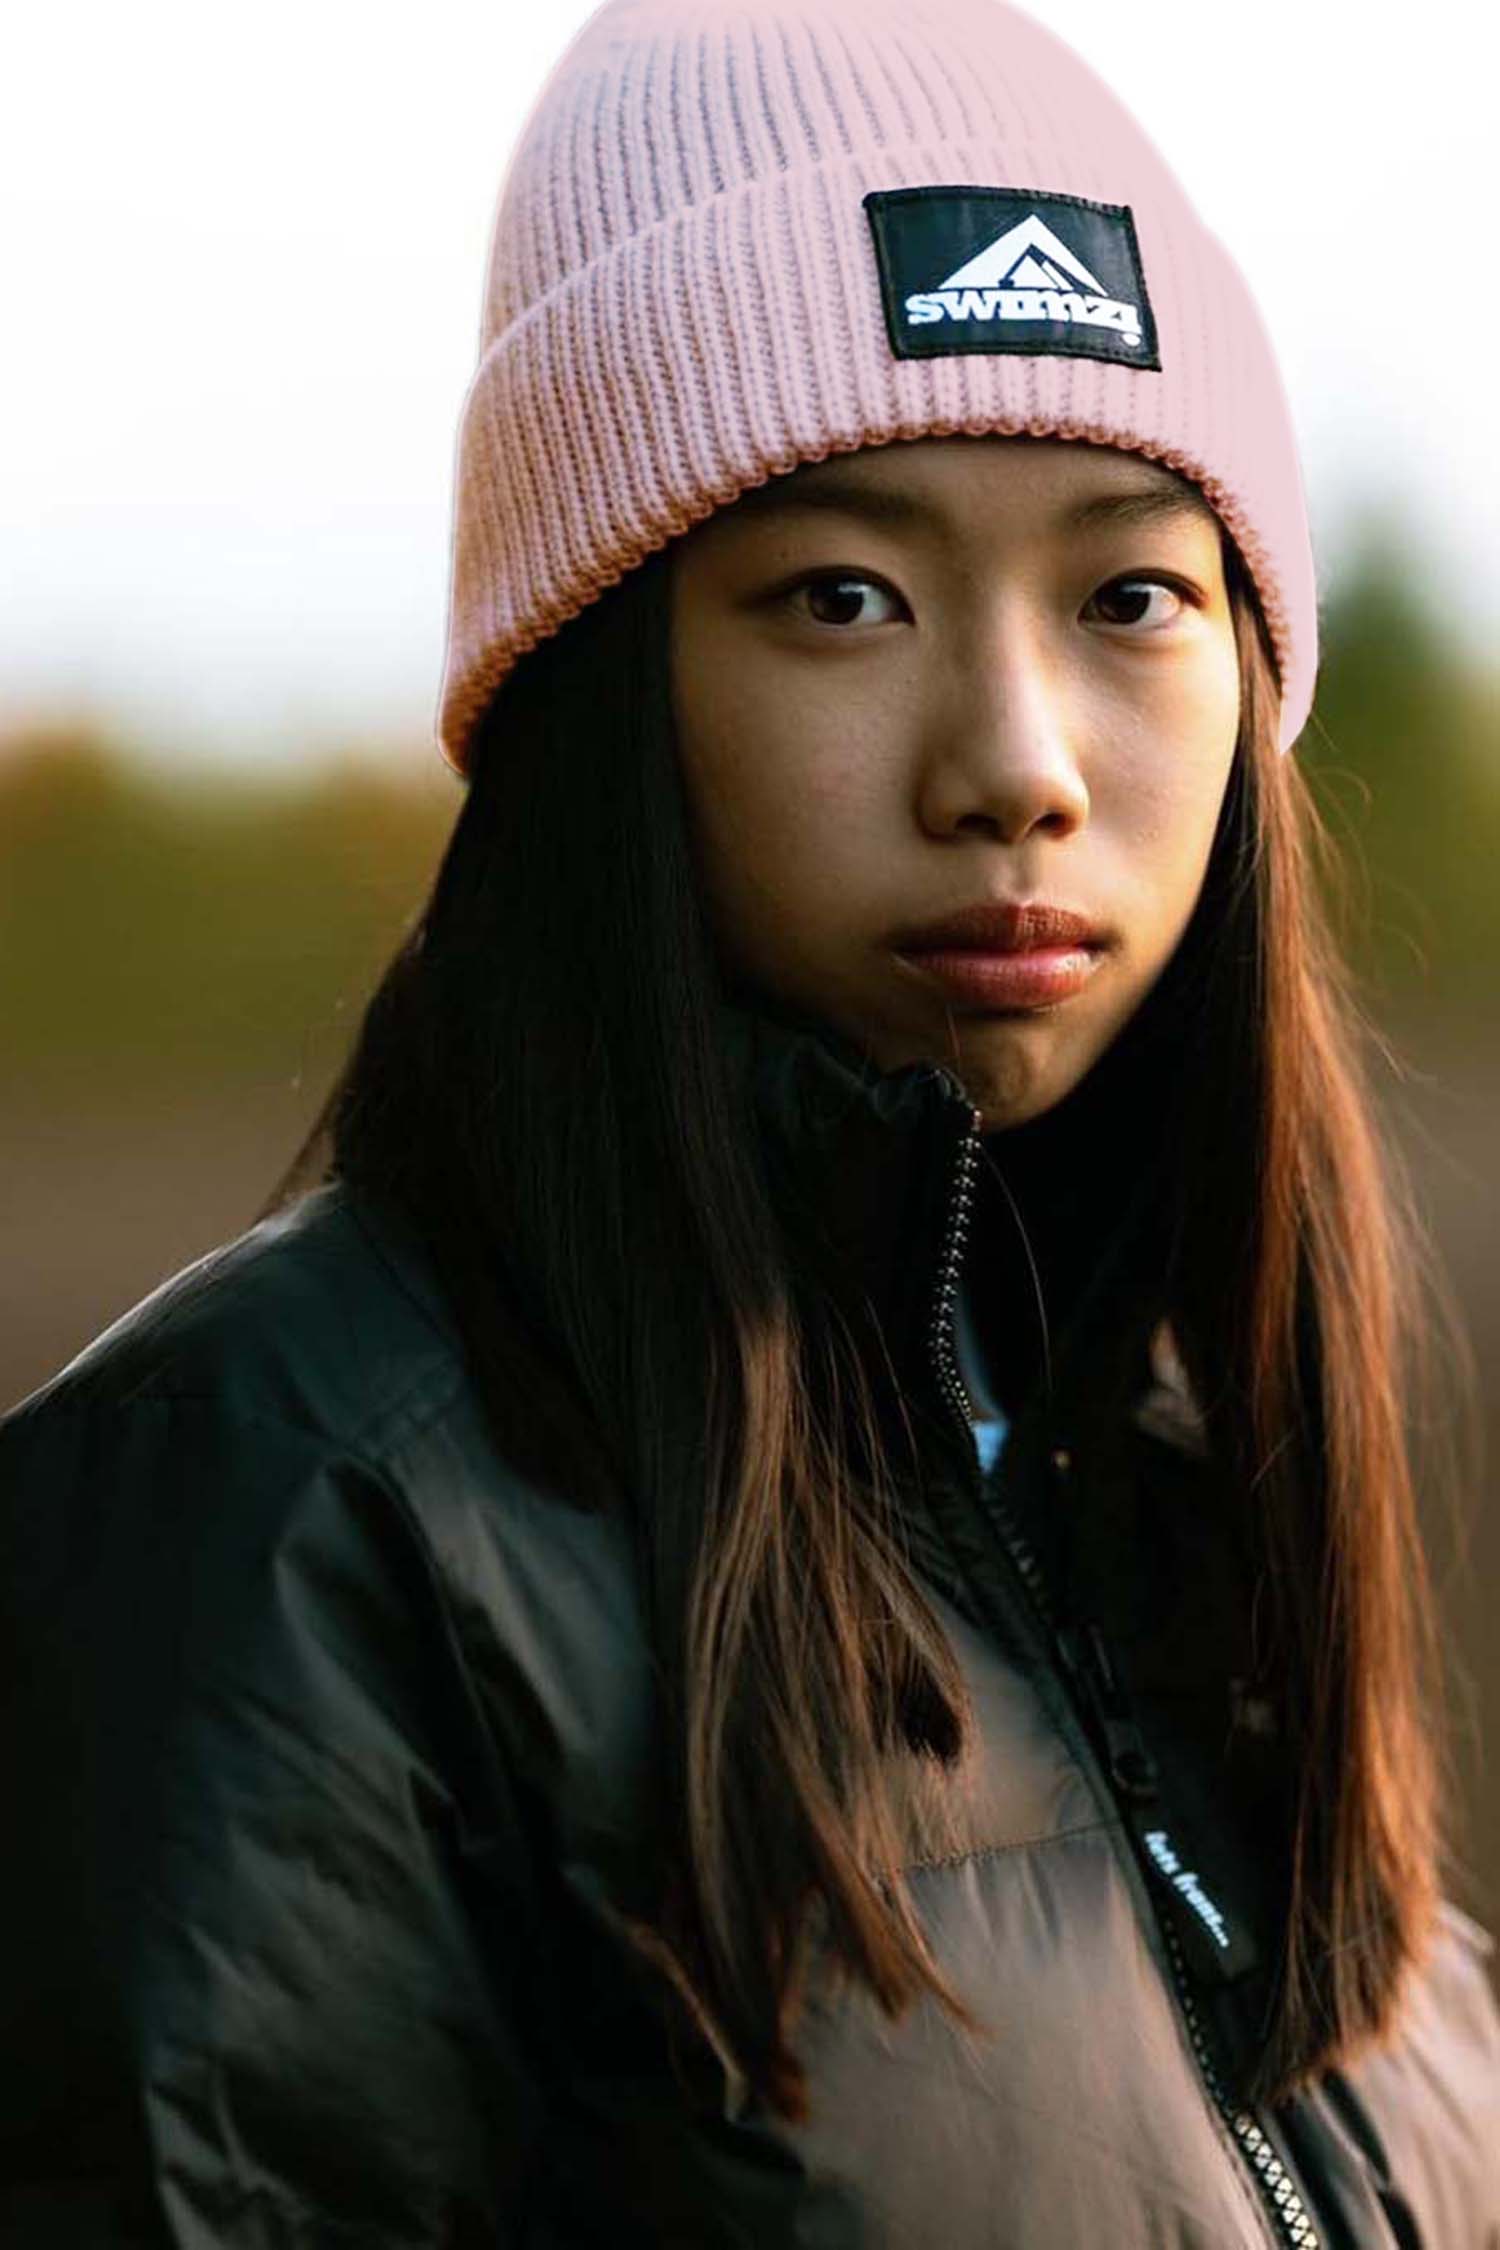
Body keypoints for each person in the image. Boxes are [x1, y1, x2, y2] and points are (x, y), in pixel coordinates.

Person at [2, 0, 1498, 2240]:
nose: (1017, 758)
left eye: (1130, 595)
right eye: (841, 595)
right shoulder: (288, 1523)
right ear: (600, 685)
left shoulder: (1172, 1521)